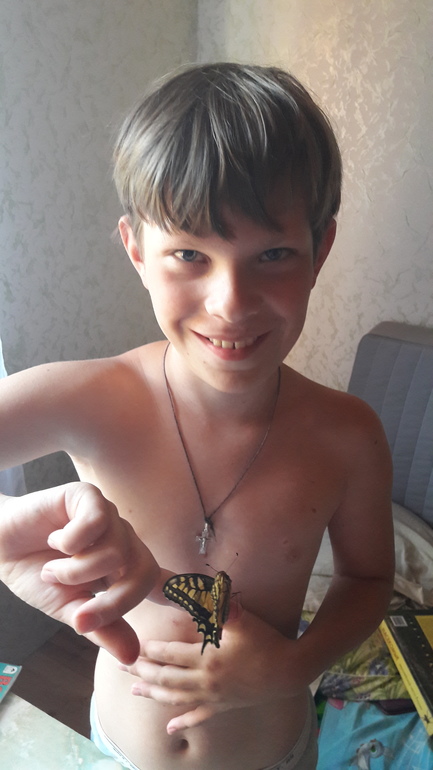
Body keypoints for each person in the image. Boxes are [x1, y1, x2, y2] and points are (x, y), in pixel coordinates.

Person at [0, 63, 394, 770]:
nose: (230, 303)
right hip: (121, 749)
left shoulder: (348, 436)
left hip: (275, 753)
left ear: (319, 251)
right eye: (188, 253)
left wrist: (292, 666)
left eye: (273, 254)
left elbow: (367, 581)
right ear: (136, 251)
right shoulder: (92, 399)